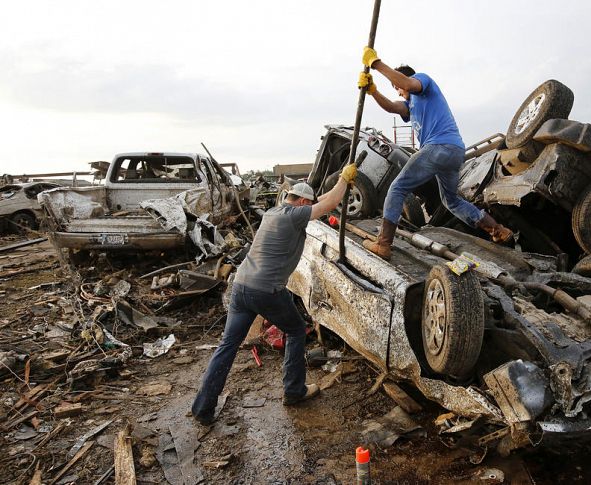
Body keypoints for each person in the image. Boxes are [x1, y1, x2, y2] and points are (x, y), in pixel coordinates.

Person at [191, 166, 357, 424]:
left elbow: (322, 201)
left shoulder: (273, 212)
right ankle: (294, 391)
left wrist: (334, 188)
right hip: (266, 290)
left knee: (228, 345)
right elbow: (332, 203)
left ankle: (203, 407)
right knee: (296, 330)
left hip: (241, 286)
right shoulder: (294, 216)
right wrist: (344, 179)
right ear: (301, 203)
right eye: (307, 204)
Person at [358, 47, 513, 260]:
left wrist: (376, 64)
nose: (399, 92)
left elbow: (407, 84)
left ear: (404, 79)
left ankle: (383, 244)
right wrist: (373, 90)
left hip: (438, 147)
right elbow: (392, 107)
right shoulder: (411, 105)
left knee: (398, 187)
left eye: (397, 88)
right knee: (451, 201)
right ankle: (497, 230)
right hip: (454, 152)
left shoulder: (422, 82)